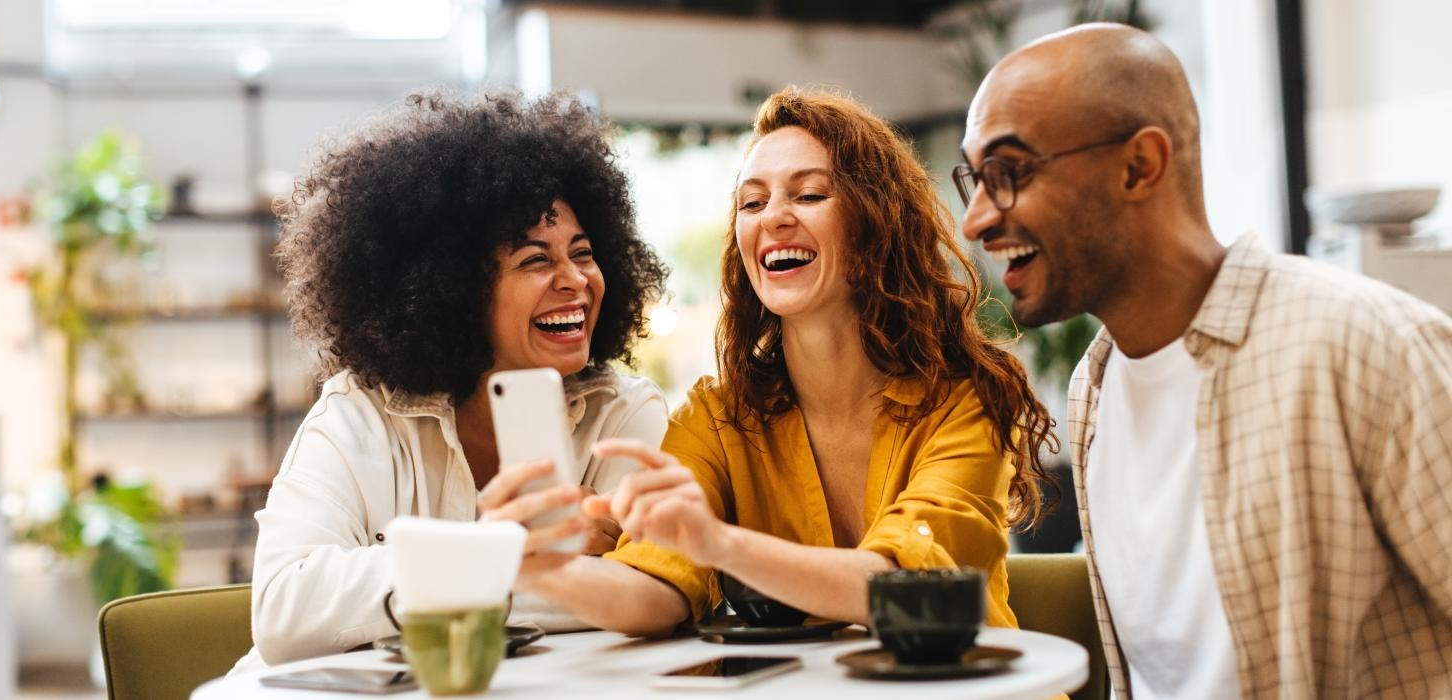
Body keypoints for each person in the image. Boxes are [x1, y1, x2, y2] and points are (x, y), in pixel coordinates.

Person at [958, 23, 1452, 699]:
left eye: (1008, 173)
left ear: (1140, 166)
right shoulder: (1092, 389)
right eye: (974, 180)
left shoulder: (1364, 345)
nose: (975, 219)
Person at [491, 86, 1057, 635]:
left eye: (808, 195)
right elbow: (654, 592)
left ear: (876, 225)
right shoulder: (715, 416)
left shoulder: (963, 400)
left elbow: (902, 585)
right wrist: (544, 569)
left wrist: (717, 542)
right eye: (752, 202)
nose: (773, 218)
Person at [238, 91, 670, 666]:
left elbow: (654, 597)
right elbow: (284, 612)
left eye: (583, 252)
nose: (575, 280)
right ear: (455, 290)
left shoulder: (624, 412)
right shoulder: (359, 413)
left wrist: (430, 579)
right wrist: (499, 550)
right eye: (534, 260)